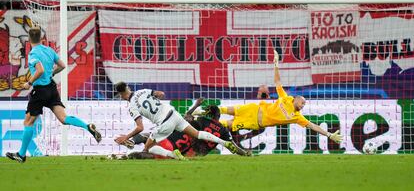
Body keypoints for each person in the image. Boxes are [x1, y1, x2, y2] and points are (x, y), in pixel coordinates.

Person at [6, 27, 101, 163]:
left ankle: (21, 155)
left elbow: (40, 70)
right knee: (63, 118)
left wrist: (29, 83)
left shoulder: (33, 54)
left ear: (28, 39)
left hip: (39, 91)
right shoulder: (49, 50)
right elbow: (62, 65)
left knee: (28, 121)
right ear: (41, 38)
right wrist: (52, 73)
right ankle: (87, 127)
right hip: (51, 88)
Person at [219, 50, 343, 145]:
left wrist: (329, 134)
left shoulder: (297, 117)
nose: (303, 105)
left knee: (226, 124)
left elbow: (313, 126)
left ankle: (201, 124)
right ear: (295, 99)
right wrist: (276, 65)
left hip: (254, 122)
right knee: (225, 109)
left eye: (304, 104)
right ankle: (201, 111)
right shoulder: (285, 98)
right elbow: (277, 81)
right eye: (302, 102)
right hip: (253, 109)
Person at [114, 82, 247, 160]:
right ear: (128, 88)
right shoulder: (142, 91)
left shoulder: (132, 107)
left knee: (148, 148)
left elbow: (140, 128)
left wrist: (126, 136)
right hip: (174, 114)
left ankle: (174, 155)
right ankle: (224, 143)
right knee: (197, 134)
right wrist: (155, 101)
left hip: (164, 123)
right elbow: (161, 94)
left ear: (121, 94)